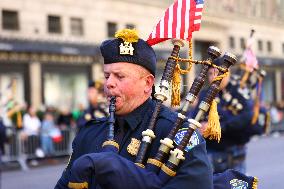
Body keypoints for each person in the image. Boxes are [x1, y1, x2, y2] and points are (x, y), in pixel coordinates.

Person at [55, 29, 212, 189]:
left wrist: (118, 168)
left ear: (147, 83)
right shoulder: (90, 132)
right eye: (107, 76)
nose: (109, 83)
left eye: (120, 76)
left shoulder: (175, 132)